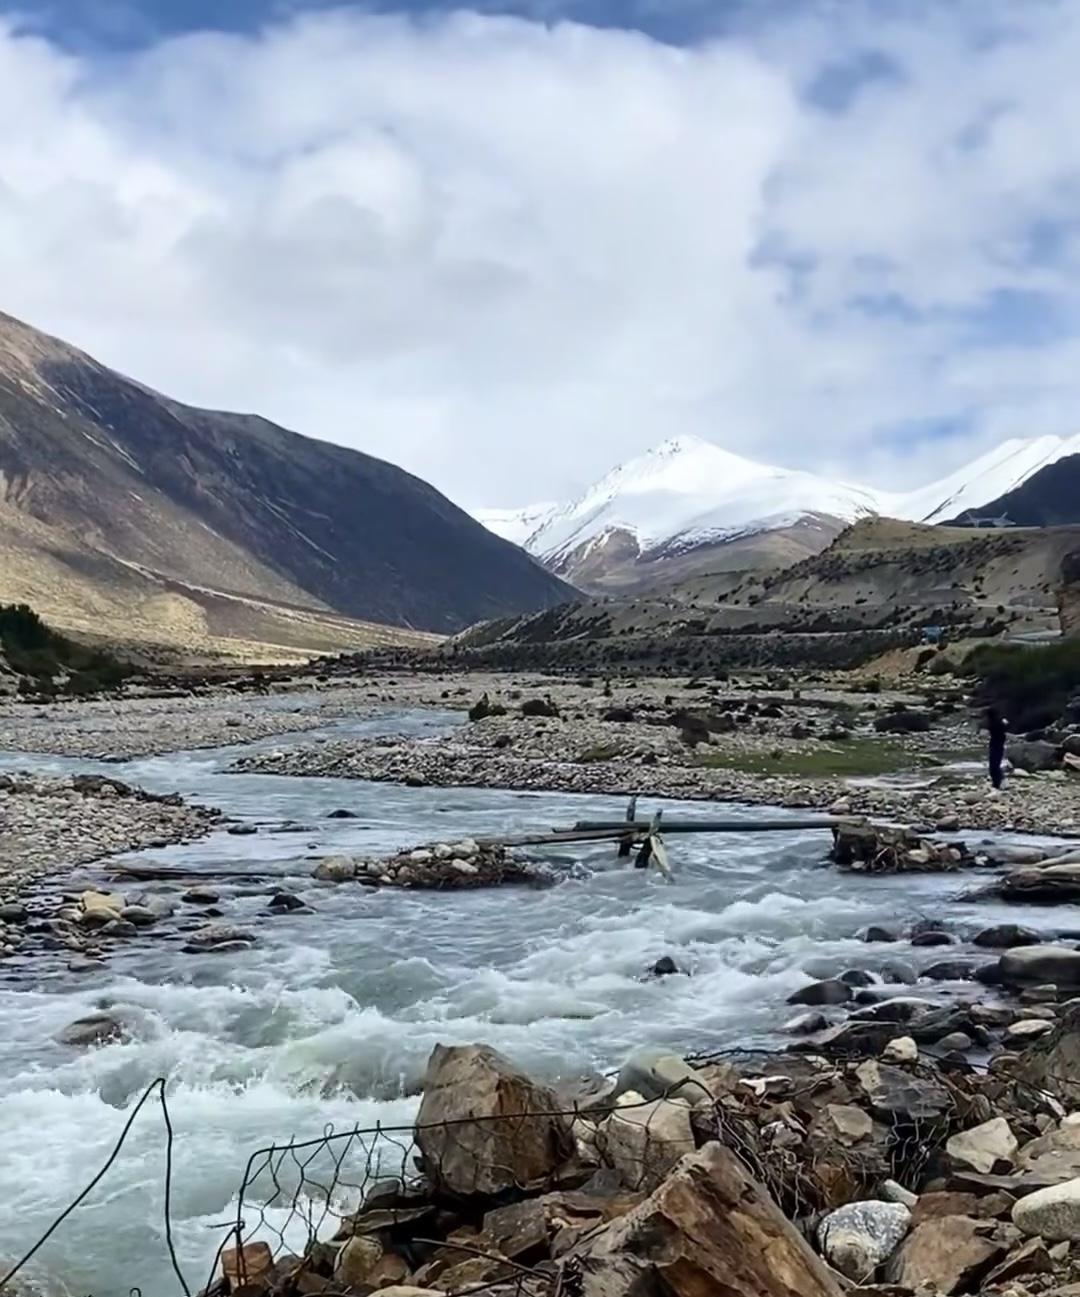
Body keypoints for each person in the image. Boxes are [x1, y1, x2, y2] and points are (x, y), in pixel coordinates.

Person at [987, 706, 1007, 789]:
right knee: (996, 765)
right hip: (999, 746)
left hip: (995, 746)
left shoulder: (994, 723)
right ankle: (998, 783)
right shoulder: (1000, 722)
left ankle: (999, 783)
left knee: (993, 766)